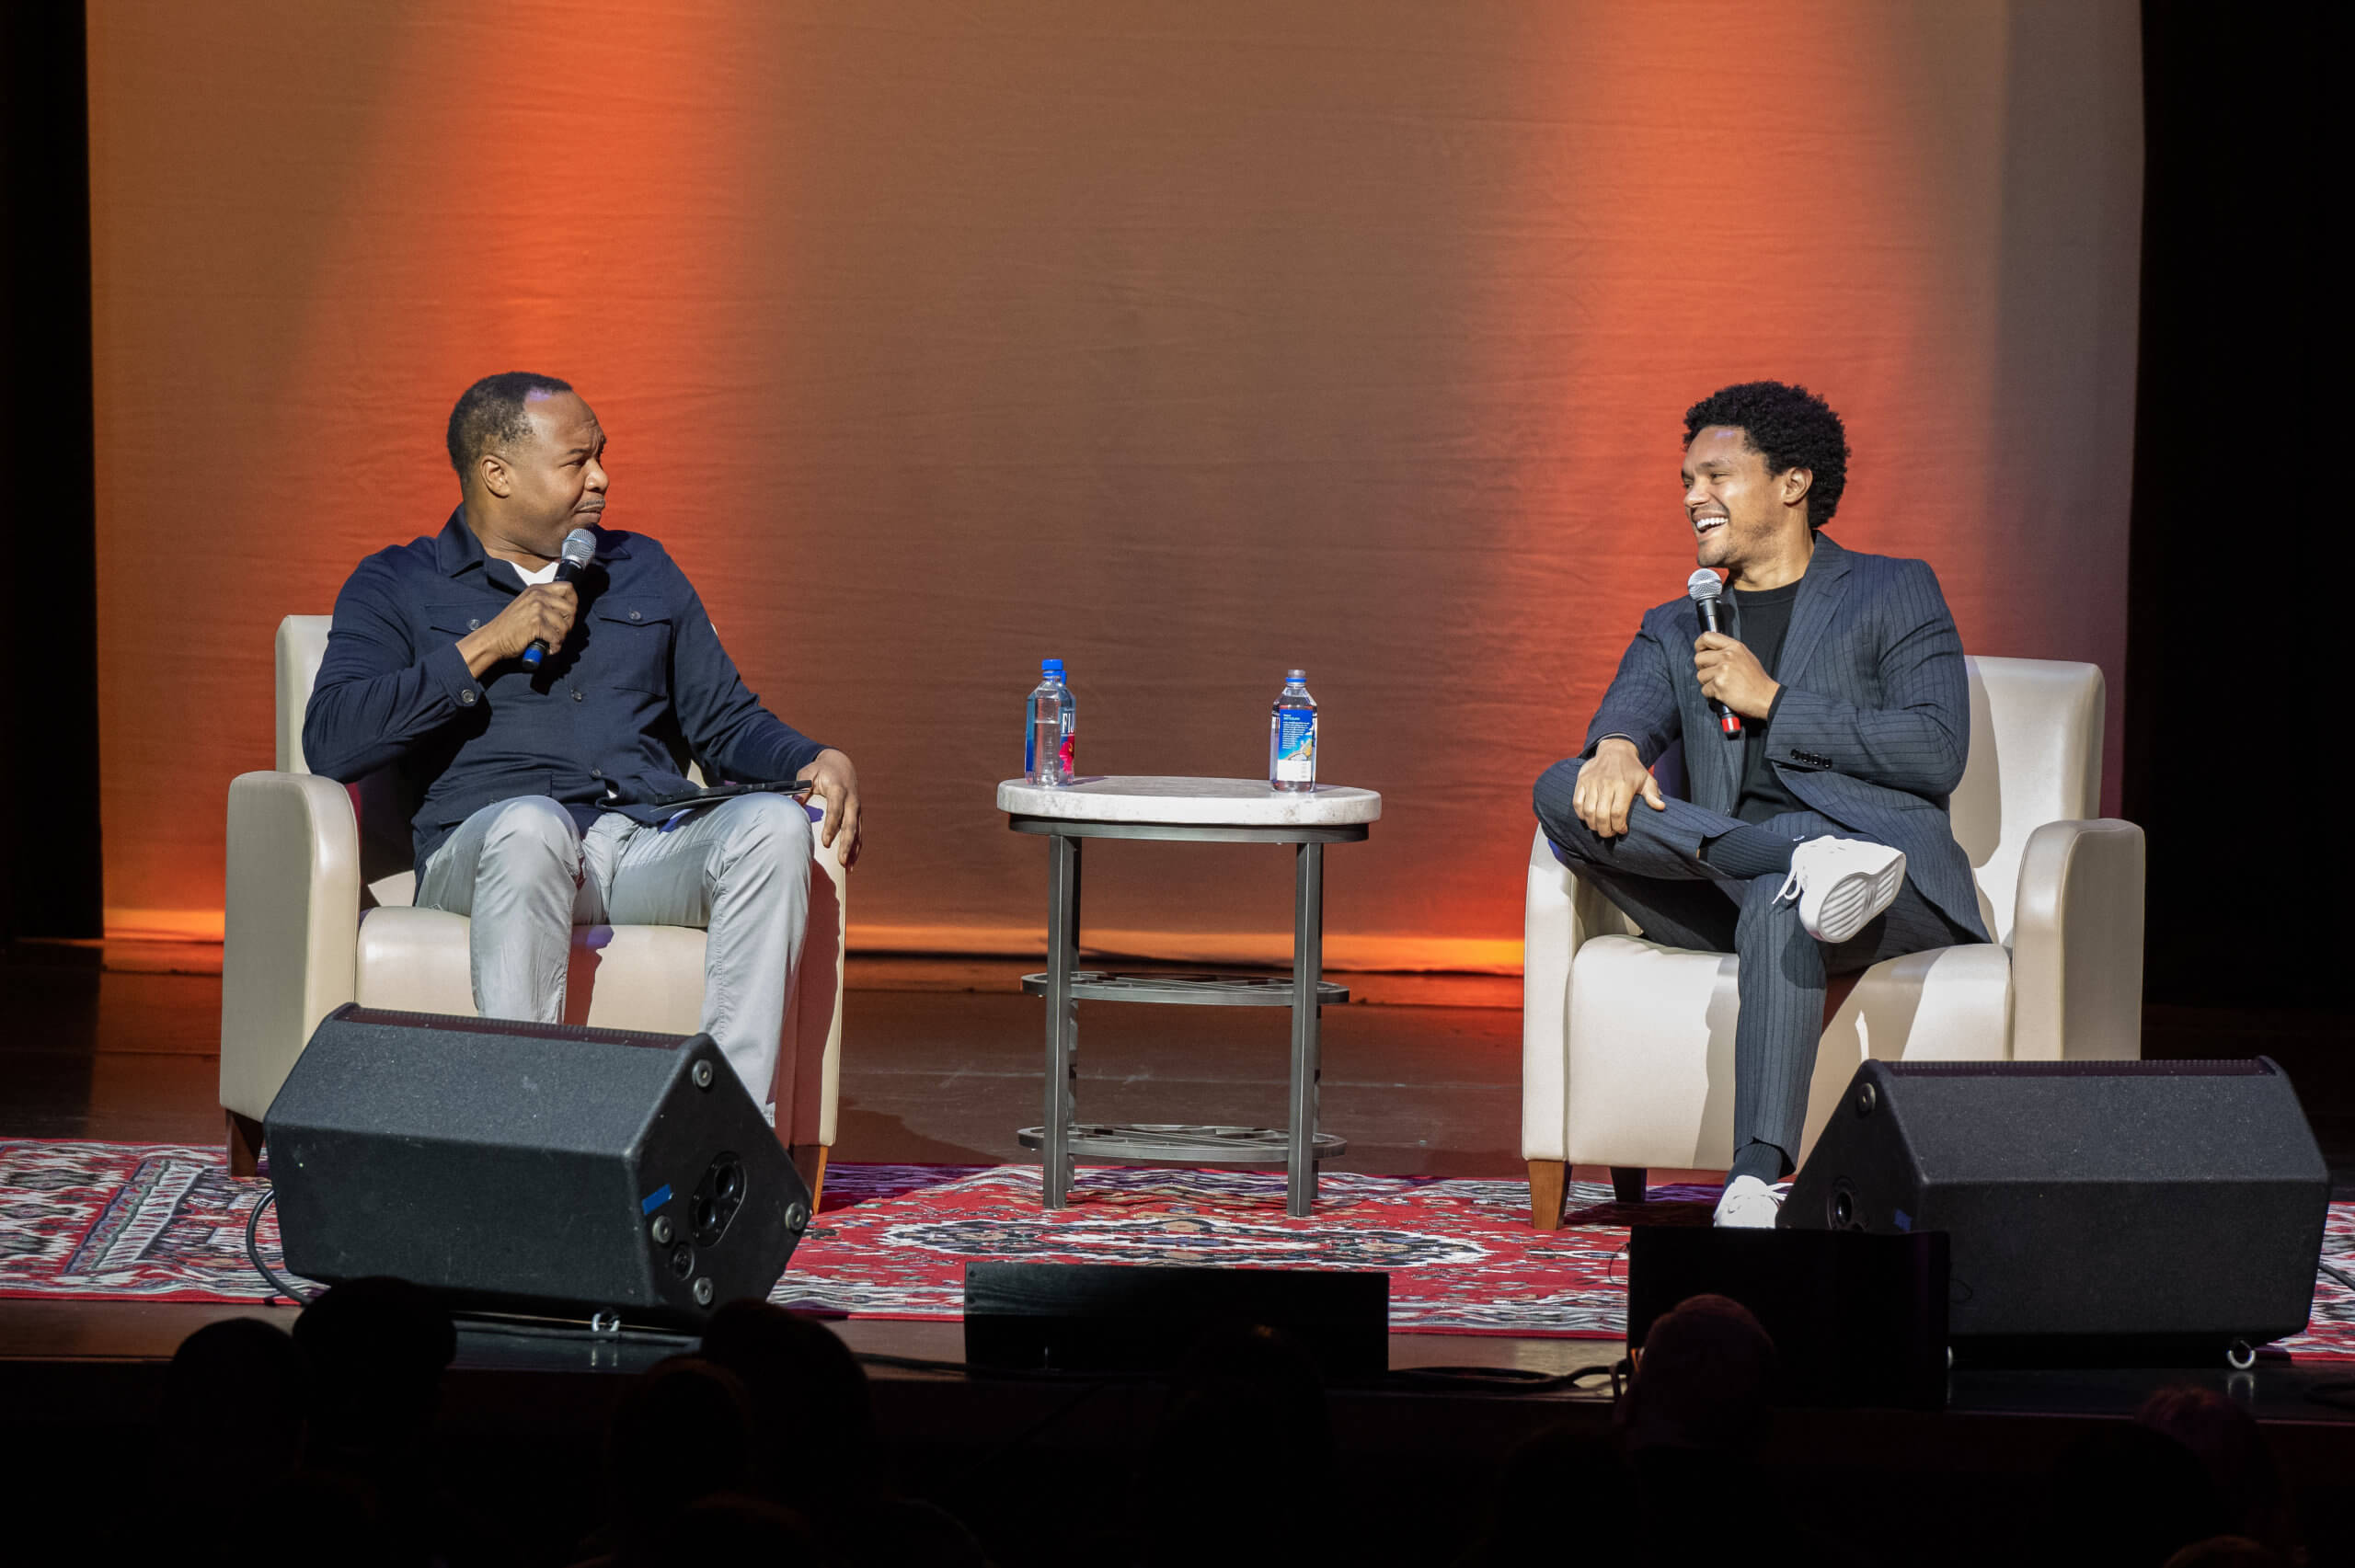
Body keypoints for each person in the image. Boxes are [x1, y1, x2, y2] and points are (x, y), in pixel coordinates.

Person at [304, 372, 860, 1118]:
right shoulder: (399, 582)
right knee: (532, 824)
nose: (602, 478)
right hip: (492, 851)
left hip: (639, 841)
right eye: (576, 461)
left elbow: (725, 723)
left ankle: (726, 1136)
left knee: (772, 825)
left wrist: (813, 757)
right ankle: (529, 1138)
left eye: (601, 456)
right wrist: (488, 644)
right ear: (496, 473)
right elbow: (333, 738)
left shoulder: (642, 569)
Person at [1533, 381, 1984, 1228]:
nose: (1693, 497)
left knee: (1788, 901)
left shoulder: (1893, 589)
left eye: (1715, 475)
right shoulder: (1678, 622)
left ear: (1792, 483)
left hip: (1883, 879)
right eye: (1685, 482)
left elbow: (1936, 749)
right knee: (1559, 788)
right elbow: (1623, 719)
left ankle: (1752, 1180)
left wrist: (1774, 698)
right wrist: (1621, 749)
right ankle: (1790, 863)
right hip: (1734, 873)